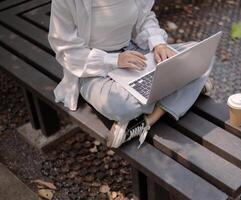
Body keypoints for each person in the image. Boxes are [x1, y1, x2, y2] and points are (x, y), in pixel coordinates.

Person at [48, 0, 213, 149]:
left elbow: (144, 17)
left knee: (201, 54)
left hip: (135, 53)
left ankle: (147, 120)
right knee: (120, 105)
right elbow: (66, 50)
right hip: (93, 68)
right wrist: (114, 60)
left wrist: (158, 43)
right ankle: (189, 87)